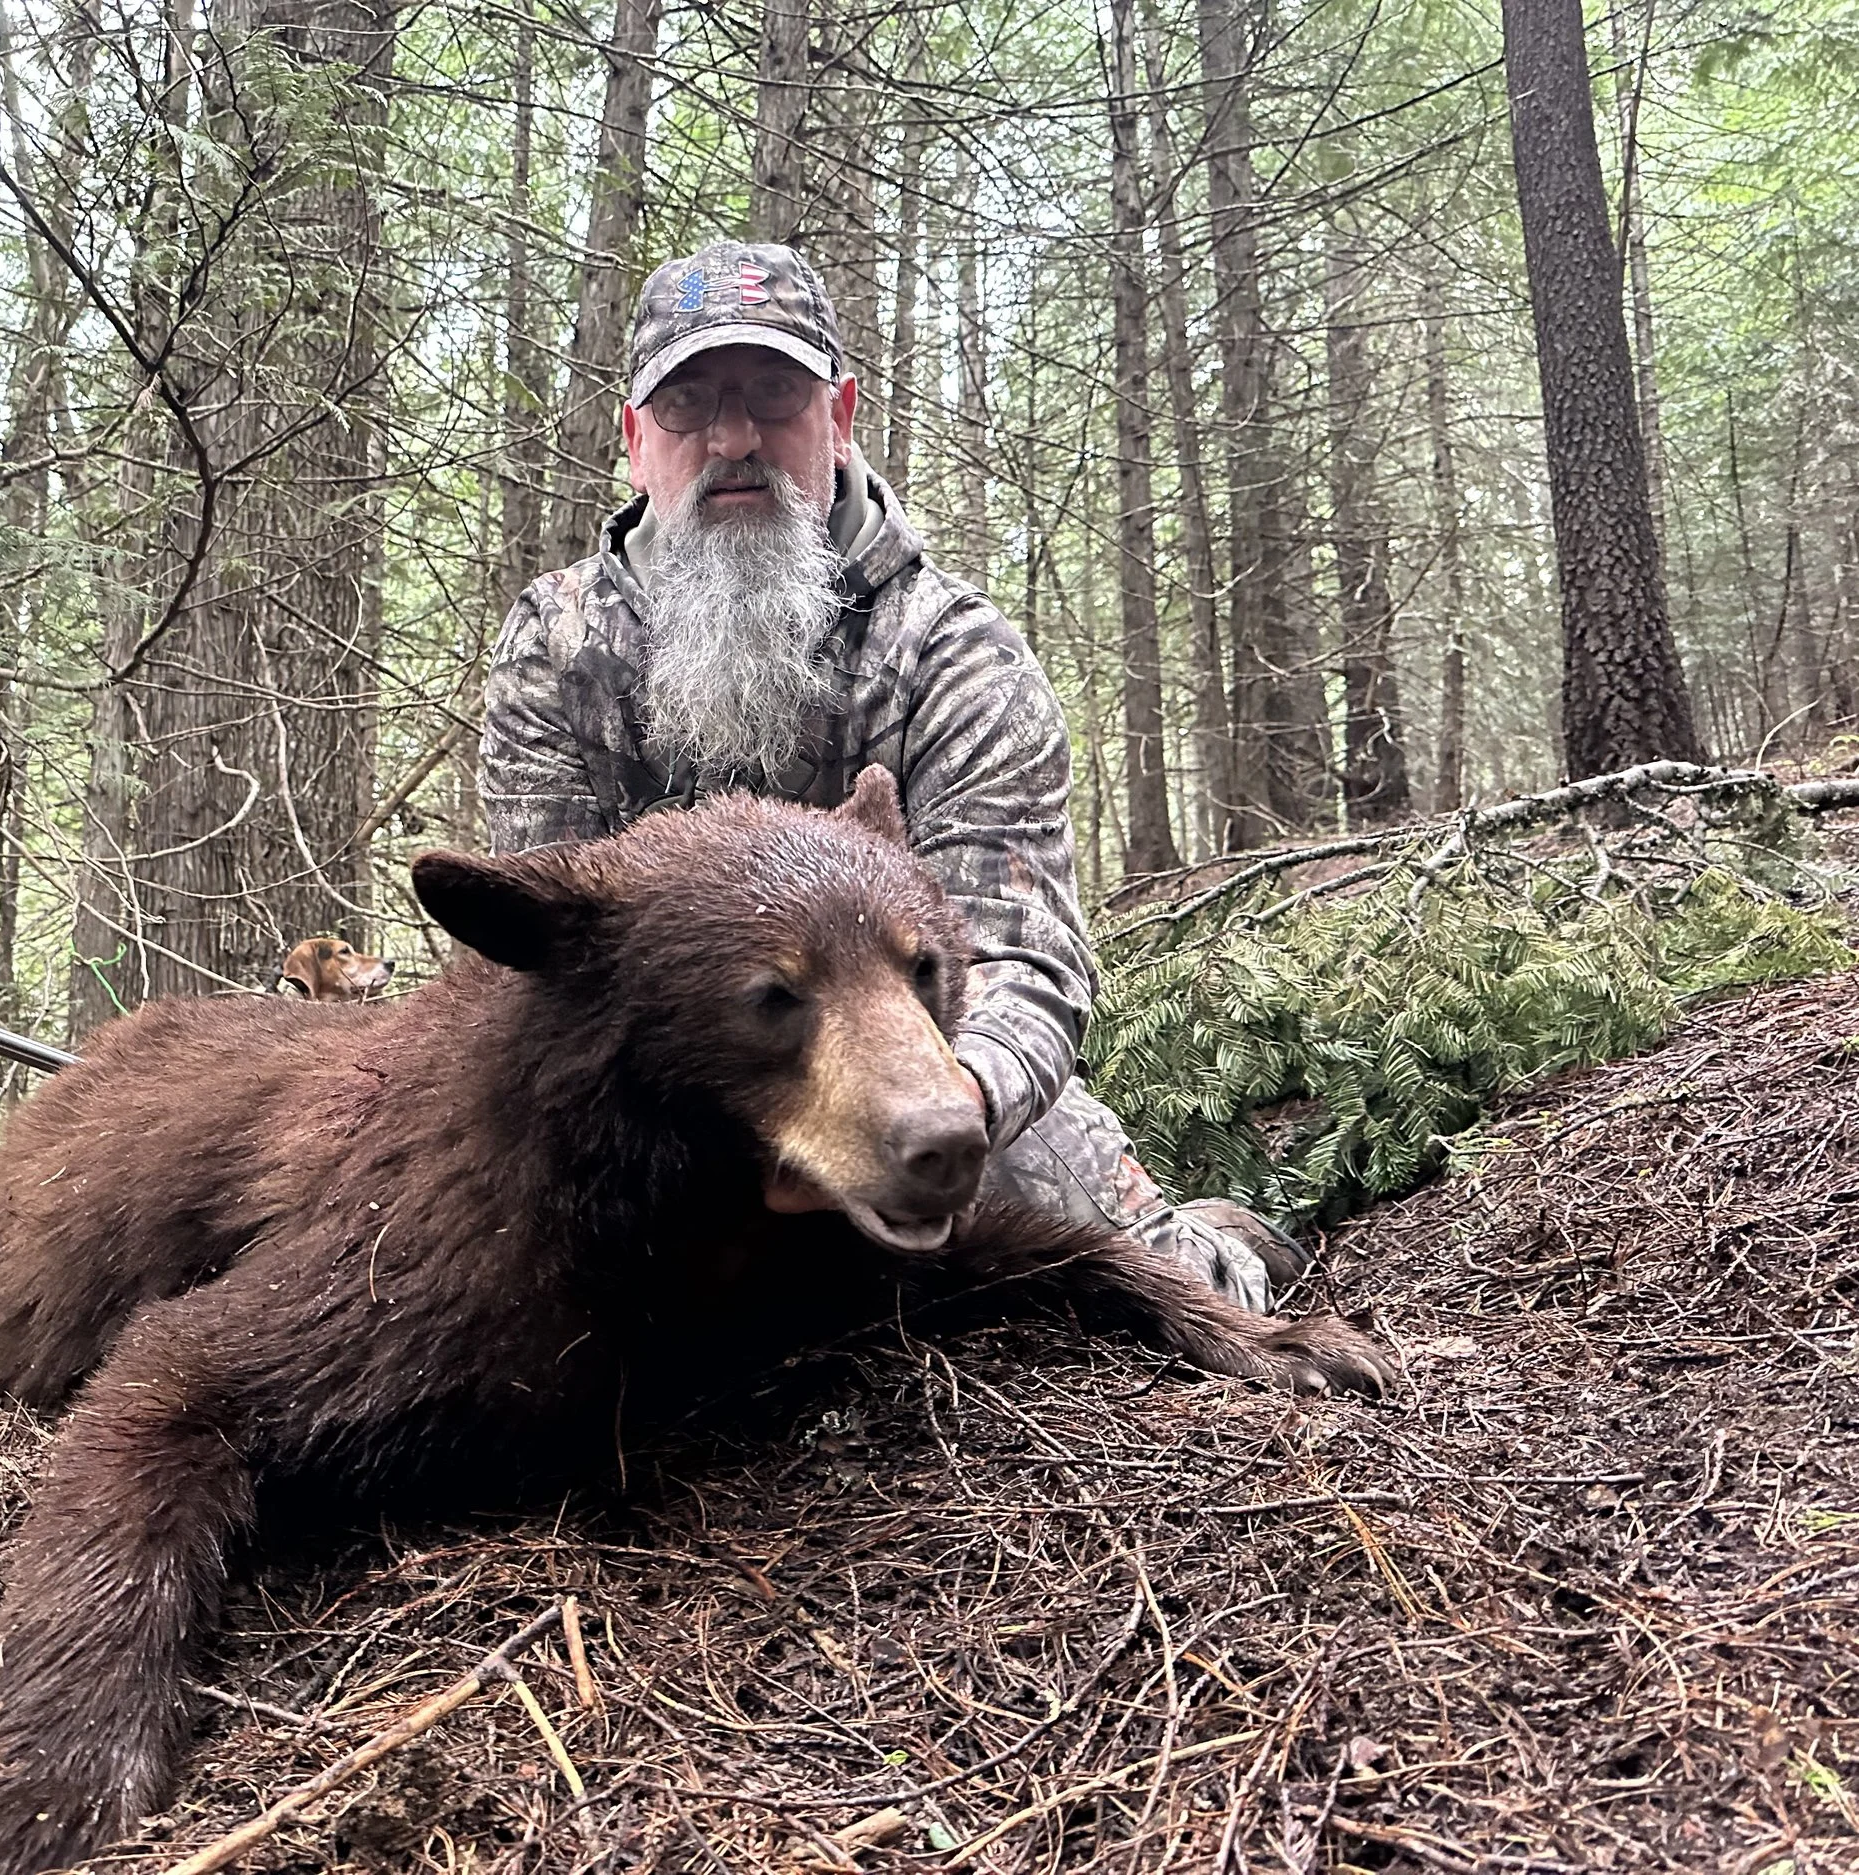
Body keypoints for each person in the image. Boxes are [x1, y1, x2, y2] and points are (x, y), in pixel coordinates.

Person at [479, 238, 1295, 1308]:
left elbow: (1021, 963)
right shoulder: (558, 644)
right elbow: (543, 957)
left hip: (916, 1084)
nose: (733, 436)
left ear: (838, 415)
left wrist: (948, 1095)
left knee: (1145, 1291)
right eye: (687, 403)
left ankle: (1221, 1239)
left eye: (773, 393)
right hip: (675, 1106)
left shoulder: (952, 652)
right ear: (637, 440)